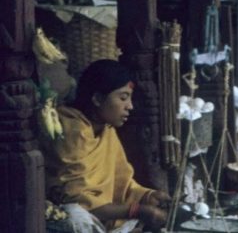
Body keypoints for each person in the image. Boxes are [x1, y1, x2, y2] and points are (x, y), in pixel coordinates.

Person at [40, 59, 171, 232]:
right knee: (75, 217)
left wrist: (148, 196)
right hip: (67, 216)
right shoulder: (71, 130)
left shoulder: (107, 130)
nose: (130, 106)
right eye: (123, 98)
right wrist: (137, 210)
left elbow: (122, 183)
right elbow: (77, 200)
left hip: (104, 218)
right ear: (98, 98)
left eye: (130, 99)